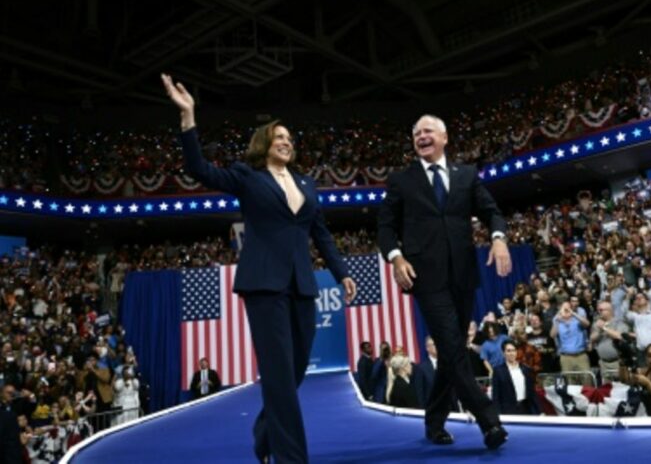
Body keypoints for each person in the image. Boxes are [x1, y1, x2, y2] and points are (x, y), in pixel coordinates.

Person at [163, 74, 357, 464]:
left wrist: (341, 272)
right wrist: (188, 118)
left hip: (302, 286)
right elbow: (199, 168)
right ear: (264, 144)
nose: (286, 142)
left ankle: (264, 430)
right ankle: (291, 458)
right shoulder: (248, 177)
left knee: (295, 371)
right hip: (264, 285)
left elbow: (321, 234)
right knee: (280, 374)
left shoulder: (307, 185)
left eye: (290, 138)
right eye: (279, 137)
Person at [377, 114, 512, 449]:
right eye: (416, 132)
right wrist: (396, 257)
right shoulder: (401, 180)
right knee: (451, 346)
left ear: (444, 137)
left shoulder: (466, 175)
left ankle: (434, 421)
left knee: (452, 352)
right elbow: (384, 227)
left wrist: (498, 238)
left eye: (428, 131)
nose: (421, 136)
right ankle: (489, 422)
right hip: (425, 279)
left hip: (463, 275)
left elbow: (491, 210)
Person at [491, 340, 540, 415]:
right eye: (508, 351)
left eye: (514, 350)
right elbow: (496, 396)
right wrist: (498, 414)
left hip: (526, 409)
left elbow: (532, 393)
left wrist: (539, 411)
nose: (511, 353)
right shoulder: (498, 371)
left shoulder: (526, 369)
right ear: (503, 353)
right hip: (508, 411)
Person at [415, 337, 438, 408]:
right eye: (434, 344)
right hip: (432, 410)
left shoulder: (446, 364)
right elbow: (420, 394)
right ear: (427, 348)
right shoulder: (421, 368)